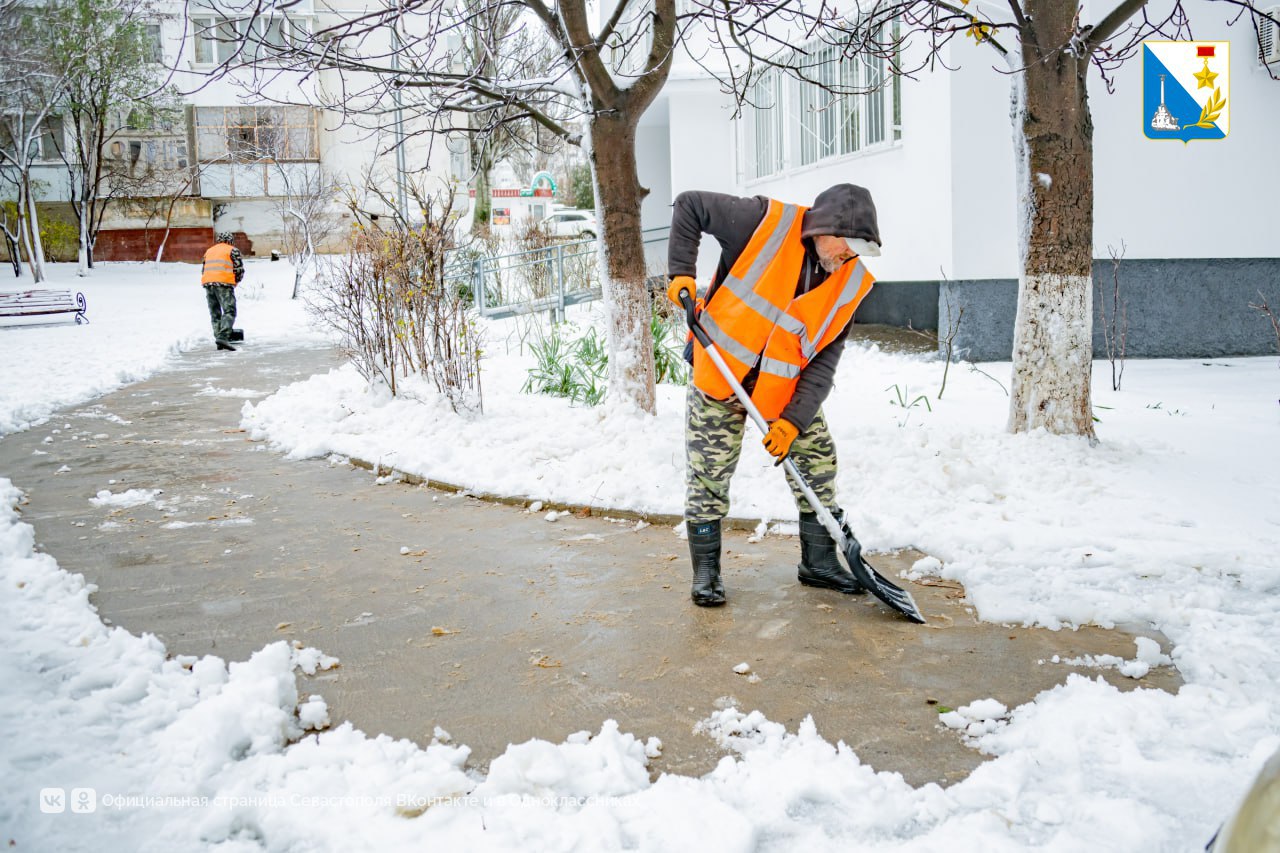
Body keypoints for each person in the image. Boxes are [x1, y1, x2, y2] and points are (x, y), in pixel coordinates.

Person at [666, 184, 882, 607]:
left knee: (818, 460)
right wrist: (681, 273)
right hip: (722, 372)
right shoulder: (762, 222)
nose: (847, 257)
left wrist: (792, 423)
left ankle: (819, 561)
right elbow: (690, 205)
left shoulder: (849, 283)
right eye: (846, 245)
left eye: (857, 251)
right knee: (709, 472)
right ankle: (706, 571)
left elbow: (823, 364)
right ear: (825, 228)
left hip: (781, 388)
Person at [201, 231, 244, 351]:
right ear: (230, 240)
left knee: (215, 313)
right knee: (229, 311)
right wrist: (236, 281)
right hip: (224, 284)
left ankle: (219, 340)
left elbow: (203, 269)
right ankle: (223, 337)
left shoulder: (209, 251)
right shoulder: (232, 250)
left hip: (208, 284)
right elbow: (239, 269)